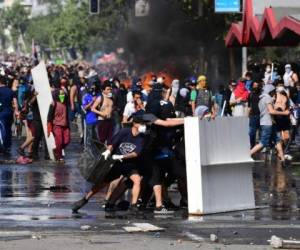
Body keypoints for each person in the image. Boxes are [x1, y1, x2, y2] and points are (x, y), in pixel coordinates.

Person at [72, 116, 148, 213]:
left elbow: (136, 153)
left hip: (129, 163)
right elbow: (113, 143)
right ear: (135, 124)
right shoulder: (124, 132)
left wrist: (122, 156)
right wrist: (108, 151)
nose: (144, 126)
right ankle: (85, 199)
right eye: (142, 124)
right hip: (116, 163)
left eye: (144, 124)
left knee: (137, 180)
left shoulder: (142, 137)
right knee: (102, 183)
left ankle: (133, 206)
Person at [250, 85, 289, 162]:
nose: (275, 93)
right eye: (274, 91)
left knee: (277, 140)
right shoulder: (267, 98)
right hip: (267, 123)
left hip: (269, 122)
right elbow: (271, 111)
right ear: (270, 91)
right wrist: (284, 113)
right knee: (263, 143)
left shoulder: (262, 99)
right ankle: (247, 154)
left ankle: (283, 159)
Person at [47, 88, 71, 162]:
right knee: (59, 141)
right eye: (60, 94)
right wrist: (49, 126)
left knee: (67, 141)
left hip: (65, 125)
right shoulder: (54, 103)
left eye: (63, 94)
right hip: (56, 125)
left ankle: (57, 150)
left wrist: (68, 126)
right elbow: (49, 116)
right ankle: (59, 157)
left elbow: (66, 116)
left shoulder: (65, 104)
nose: (62, 96)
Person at [0, 74, 19, 154]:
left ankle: (3, 147)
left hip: (2, 113)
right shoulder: (11, 91)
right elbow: (15, 102)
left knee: (2, 130)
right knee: (8, 129)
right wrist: (16, 111)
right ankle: (8, 146)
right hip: (9, 112)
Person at [248, 81, 262, 148]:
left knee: (261, 132)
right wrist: (247, 114)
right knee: (251, 132)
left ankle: (260, 146)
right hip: (253, 115)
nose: (256, 87)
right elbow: (249, 106)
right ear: (252, 86)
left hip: (261, 115)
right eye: (254, 85)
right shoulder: (250, 94)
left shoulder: (261, 94)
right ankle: (252, 145)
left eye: (257, 85)